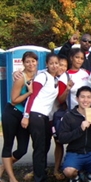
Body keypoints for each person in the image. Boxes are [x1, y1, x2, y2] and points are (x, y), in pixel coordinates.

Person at [21, 53, 60, 182]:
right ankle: (39, 178)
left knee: (45, 145)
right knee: (39, 147)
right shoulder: (42, 76)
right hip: (35, 114)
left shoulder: (55, 79)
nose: (54, 66)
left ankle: (41, 172)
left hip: (44, 116)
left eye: (56, 63)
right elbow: (31, 96)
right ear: (46, 65)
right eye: (51, 63)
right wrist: (26, 116)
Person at [0, 52, 37, 182]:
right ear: (23, 63)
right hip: (12, 112)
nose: (31, 64)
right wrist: (30, 92)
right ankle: (12, 178)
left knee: (22, 149)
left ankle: (2, 167)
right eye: (27, 61)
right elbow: (14, 100)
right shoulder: (21, 77)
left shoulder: (37, 76)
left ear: (37, 62)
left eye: (33, 61)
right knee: (8, 145)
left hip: (23, 116)